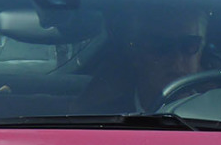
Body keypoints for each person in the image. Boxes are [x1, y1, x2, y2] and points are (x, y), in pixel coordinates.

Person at [80, 10, 208, 112]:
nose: (177, 58)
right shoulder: (101, 119)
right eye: (161, 45)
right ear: (135, 53)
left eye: (189, 45)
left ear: (200, 52)